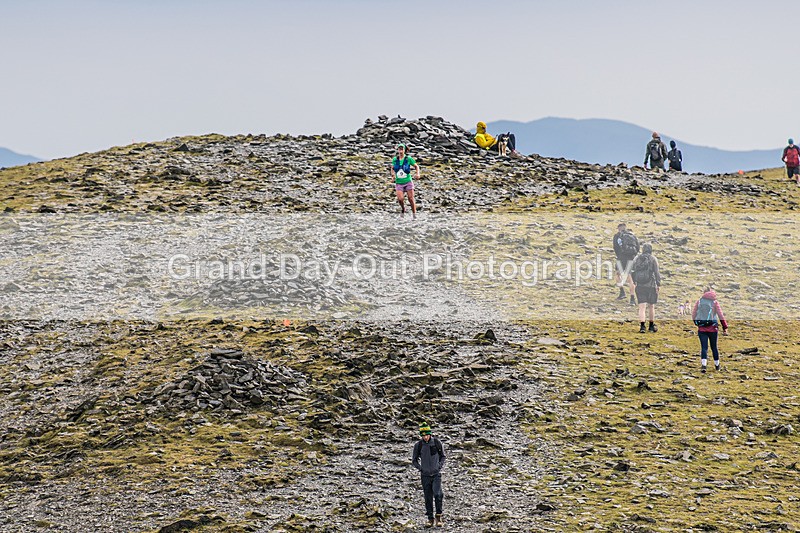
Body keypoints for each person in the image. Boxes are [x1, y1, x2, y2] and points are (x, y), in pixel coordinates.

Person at [412, 423, 446, 528]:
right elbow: (414, 460)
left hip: (436, 474)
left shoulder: (436, 442)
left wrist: (438, 467)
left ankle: (439, 516)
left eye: (426, 435)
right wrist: (421, 469)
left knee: (438, 494)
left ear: (430, 434)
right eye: (423, 435)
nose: (425, 437)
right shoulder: (419, 445)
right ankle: (430, 519)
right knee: (428, 497)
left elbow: (443, 456)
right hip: (425, 475)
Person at [691, 287, 729, 372]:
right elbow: (720, 315)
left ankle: (704, 365)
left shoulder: (699, 301)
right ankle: (717, 365)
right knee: (714, 347)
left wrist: (697, 323)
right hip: (713, 328)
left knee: (704, 347)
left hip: (702, 329)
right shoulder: (715, 302)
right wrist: (725, 327)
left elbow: (693, 314)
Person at [631, 243, 661, 333]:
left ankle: (642, 327)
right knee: (651, 306)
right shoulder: (653, 259)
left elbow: (632, 271)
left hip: (639, 285)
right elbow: (656, 273)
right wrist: (658, 284)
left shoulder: (637, 259)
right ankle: (651, 326)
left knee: (642, 307)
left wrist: (634, 282)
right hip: (651, 285)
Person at [390, 143, 420, 218]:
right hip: (399, 183)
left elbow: (416, 166)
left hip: (408, 182)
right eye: (399, 149)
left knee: (410, 198)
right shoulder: (395, 159)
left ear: (404, 150)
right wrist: (393, 176)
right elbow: (392, 168)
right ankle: (403, 209)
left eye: (402, 149)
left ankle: (414, 214)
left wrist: (417, 174)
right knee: (400, 199)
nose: (400, 150)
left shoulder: (408, 158)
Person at [612, 223, 639, 305]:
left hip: (621, 259)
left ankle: (622, 292)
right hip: (631, 259)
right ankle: (632, 299)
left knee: (617, 274)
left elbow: (615, 247)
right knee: (630, 279)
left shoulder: (617, 236)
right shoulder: (632, 236)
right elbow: (637, 248)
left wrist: (619, 255)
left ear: (619, 228)